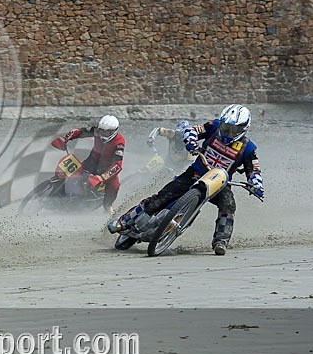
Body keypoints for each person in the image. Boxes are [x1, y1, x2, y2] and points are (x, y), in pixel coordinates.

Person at [109, 105, 263, 256]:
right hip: (195, 172)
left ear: (243, 129)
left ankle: (220, 241)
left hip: (220, 184)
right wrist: (191, 141)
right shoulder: (214, 126)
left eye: (233, 129)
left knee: (229, 205)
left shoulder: (248, 148)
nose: (228, 132)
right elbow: (193, 130)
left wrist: (256, 184)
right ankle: (125, 221)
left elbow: (254, 169)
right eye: (226, 127)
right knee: (161, 197)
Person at [50, 115, 125, 215]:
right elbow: (80, 132)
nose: (103, 134)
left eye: (107, 132)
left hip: (106, 168)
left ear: (114, 131)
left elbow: (118, 164)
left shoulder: (119, 141)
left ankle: (108, 205)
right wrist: (65, 138)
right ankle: (59, 184)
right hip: (92, 161)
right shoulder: (96, 130)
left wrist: (102, 177)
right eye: (102, 131)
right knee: (74, 171)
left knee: (115, 185)